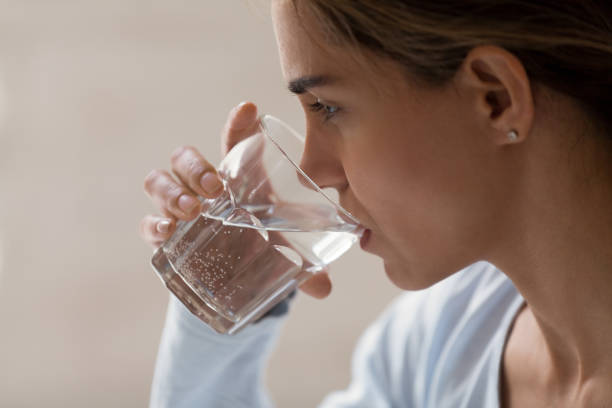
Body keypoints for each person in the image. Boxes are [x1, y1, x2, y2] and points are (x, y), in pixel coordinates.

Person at [140, 1, 612, 406]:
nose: (314, 169)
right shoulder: (440, 343)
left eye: (328, 107)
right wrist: (222, 289)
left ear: (495, 97)